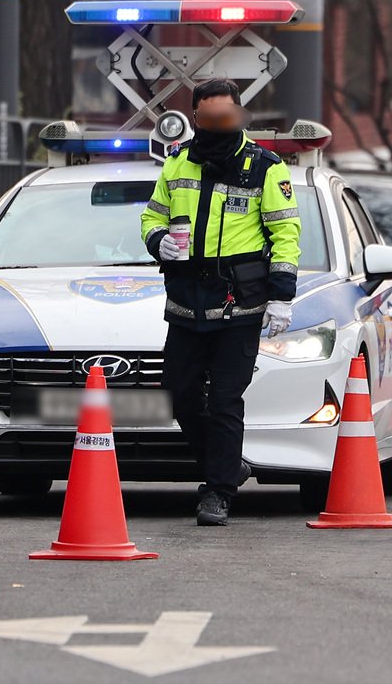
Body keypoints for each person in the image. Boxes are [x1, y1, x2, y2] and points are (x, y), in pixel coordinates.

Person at [140, 79, 301, 526]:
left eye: (226, 118)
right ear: (195, 118)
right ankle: (228, 465)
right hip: (186, 301)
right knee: (178, 394)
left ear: (240, 116)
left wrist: (282, 298)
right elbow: (153, 214)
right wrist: (157, 241)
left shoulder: (265, 167)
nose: (218, 126)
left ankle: (217, 492)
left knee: (227, 400)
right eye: (209, 120)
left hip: (239, 304)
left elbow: (285, 235)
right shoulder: (177, 164)